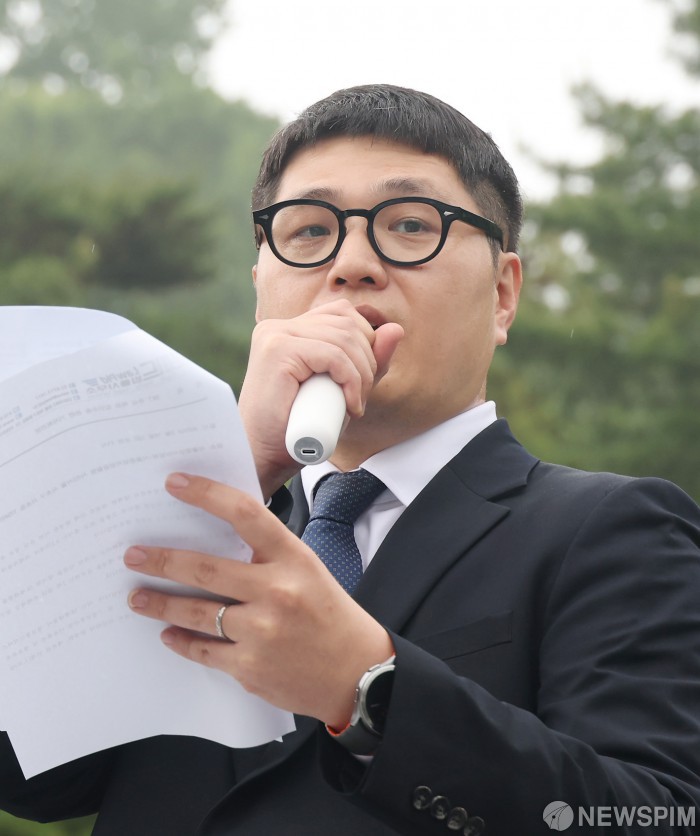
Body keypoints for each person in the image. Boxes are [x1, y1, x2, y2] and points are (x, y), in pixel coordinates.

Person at [2, 84, 700, 836]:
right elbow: (30, 774)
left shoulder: (612, 529)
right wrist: (234, 462)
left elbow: (655, 813)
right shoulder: (185, 534)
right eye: (309, 231)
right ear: (260, 289)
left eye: (410, 225)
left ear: (502, 295)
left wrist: (368, 687)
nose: (352, 264)